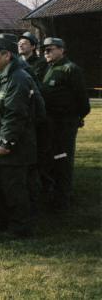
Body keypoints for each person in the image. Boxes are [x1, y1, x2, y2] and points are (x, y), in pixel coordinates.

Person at [0, 37, 37, 238]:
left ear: (7, 55)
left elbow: (15, 114)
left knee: (14, 187)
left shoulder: (18, 78)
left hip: (14, 146)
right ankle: (5, 223)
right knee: (2, 185)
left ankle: (20, 227)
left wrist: (6, 141)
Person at [40, 37, 90, 210]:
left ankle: (63, 199)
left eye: (50, 49)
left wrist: (75, 118)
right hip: (51, 124)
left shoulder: (71, 69)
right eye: (44, 50)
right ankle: (53, 194)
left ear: (62, 50)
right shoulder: (49, 69)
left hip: (64, 124)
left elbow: (82, 100)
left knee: (63, 158)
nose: (46, 52)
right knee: (51, 157)